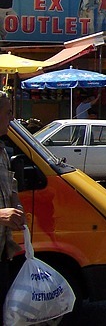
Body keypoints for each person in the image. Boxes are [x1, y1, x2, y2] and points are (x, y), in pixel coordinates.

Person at [0, 92, 25, 307]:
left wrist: (15, 202)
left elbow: (11, 181)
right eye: (8, 113)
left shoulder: (2, 150)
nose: (11, 119)